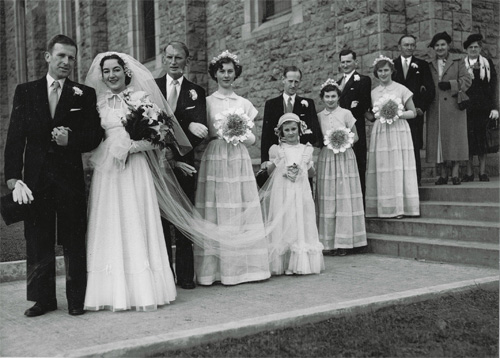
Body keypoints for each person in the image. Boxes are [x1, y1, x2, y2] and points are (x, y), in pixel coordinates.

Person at [83, 52, 193, 311]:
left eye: (116, 70)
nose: (111, 75)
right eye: (107, 71)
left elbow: (161, 136)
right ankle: (111, 292)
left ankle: (144, 291)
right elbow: (92, 137)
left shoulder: (141, 98)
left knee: (136, 219)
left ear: (126, 72)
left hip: (135, 168)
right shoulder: (97, 103)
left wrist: (131, 146)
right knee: (110, 222)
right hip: (108, 172)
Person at [4, 34, 103, 317]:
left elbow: (94, 135)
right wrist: (13, 177)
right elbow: (15, 139)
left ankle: (76, 299)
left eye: (71, 57)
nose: (66, 62)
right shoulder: (26, 92)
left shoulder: (83, 94)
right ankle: (42, 299)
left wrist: (70, 140)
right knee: (37, 238)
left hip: (69, 179)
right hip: (35, 180)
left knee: (73, 238)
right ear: (48, 57)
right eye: (61, 56)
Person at [194, 50, 271, 286]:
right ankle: (214, 271)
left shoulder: (244, 103)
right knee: (217, 207)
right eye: (222, 71)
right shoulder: (207, 102)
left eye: (230, 71)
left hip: (237, 156)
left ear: (235, 74)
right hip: (217, 157)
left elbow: (253, 139)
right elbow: (205, 135)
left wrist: (237, 132)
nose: (226, 75)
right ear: (215, 74)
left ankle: (243, 270)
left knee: (238, 204)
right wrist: (221, 132)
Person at [155, 41, 208, 289]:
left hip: (185, 163)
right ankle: (166, 275)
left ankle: (186, 276)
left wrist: (177, 151)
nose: (174, 61)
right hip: (157, 163)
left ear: (187, 61)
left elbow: (200, 130)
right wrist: (184, 126)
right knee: (162, 220)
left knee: (184, 218)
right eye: (169, 57)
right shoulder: (152, 88)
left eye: (179, 58)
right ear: (163, 59)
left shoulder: (195, 92)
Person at [260, 113, 324, 275]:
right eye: (286, 130)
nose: (290, 133)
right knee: (285, 221)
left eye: (293, 129)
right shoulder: (277, 150)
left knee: (301, 221)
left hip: (300, 192)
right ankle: (284, 261)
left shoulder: (306, 149)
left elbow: (311, 174)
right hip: (283, 192)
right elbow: (269, 172)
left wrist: (306, 166)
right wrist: (277, 162)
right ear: (281, 132)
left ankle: (300, 263)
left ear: (300, 129)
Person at [315, 80, 366, 255]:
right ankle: (328, 242)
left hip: (344, 156)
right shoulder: (319, 116)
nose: (330, 99)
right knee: (328, 195)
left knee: (344, 195)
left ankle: (345, 241)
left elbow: (356, 136)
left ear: (338, 97)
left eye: (333, 96)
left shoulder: (346, 113)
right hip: (327, 158)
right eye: (327, 96)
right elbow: (318, 138)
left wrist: (342, 141)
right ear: (322, 98)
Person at [365, 55, 420, 218]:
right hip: (381, 131)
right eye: (380, 71)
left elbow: (413, 112)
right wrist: (374, 115)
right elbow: (369, 113)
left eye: (386, 70)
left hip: (398, 130)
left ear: (392, 71)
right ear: (376, 73)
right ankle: (383, 207)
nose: (383, 74)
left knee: (397, 166)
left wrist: (396, 113)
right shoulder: (374, 93)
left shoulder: (401, 89)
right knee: (382, 167)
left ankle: (400, 208)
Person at [426, 31, 472, 185]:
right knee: (439, 141)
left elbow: (467, 80)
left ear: (448, 45)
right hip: (436, 107)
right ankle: (443, 174)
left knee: (455, 140)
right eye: (437, 45)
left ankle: (455, 174)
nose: (440, 48)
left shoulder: (458, 61)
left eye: (442, 44)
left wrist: (451, 85)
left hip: (453, 106)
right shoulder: (429, 64)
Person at [392, 35, 436, 186]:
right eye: (406, 45)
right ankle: (399, 182)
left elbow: (430, 89)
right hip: (396, 115)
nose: (409, 48)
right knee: (397, 147)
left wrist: (421, 108)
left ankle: (415, 181)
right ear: (400, 46)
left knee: (414, 146)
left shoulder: (422, 65)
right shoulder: (392, 65)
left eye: (412, 45)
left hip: (414, 113)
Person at [261, 66, 320, 164]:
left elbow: (314, 134)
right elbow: (266, 135)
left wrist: (295, 138)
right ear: (283, 79)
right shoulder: (271, 104)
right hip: (278, 156)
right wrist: (264, 160)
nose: (293, 85)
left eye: (296, 82)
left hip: (300, 156)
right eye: (290, 81)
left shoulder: (308, 104)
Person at [461, 33, 499, 182]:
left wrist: (495, 107)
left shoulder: (487, 64)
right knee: (469, 141)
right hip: (467, 108)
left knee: (482, 141)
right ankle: (469, 173)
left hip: (484, 108)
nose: (473, 49)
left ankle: (482, 172)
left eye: (476, 47)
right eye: (471, 47)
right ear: (466, 49)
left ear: (480, 48)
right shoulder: (461, 64)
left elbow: (493, 86)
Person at [337, 50, 372, 199]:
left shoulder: (363, 80)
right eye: (343, 62)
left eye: (348, 61)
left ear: (355, 62)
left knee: (358, 164)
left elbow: (362, 105)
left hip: (356, 129)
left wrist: (352, 108)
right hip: (339, 130)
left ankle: (361, 203)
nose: (345, 65)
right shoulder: (337, 83)